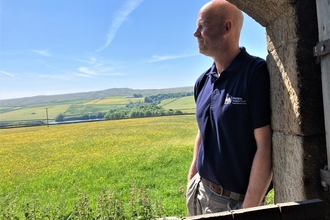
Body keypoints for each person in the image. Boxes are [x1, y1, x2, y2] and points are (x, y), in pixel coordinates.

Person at [186, 0, 272, 216]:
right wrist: (193, 173)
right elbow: (203, 129)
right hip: (200, 193)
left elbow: (265, 145)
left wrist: (248, 209)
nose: (195, 33)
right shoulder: (202, 81)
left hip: (233, 205)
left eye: (202, 26)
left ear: (226, 28)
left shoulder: (255, 74)